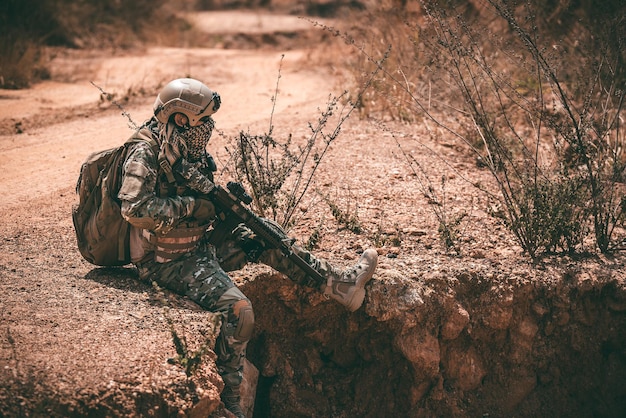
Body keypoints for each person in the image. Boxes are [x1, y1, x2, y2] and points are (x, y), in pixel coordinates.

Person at [117, 78, 378, 418]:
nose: (205, 132)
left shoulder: (183, 148)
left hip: (197, 246)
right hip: (167, 261)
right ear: (178, 118)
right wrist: (193, 208)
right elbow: (134, 208)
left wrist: (220, 206)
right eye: (199, 124)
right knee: (241, 314)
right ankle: (229, 406)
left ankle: (338, 284)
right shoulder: (146, 152)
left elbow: (200, 195)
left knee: (265, 237)